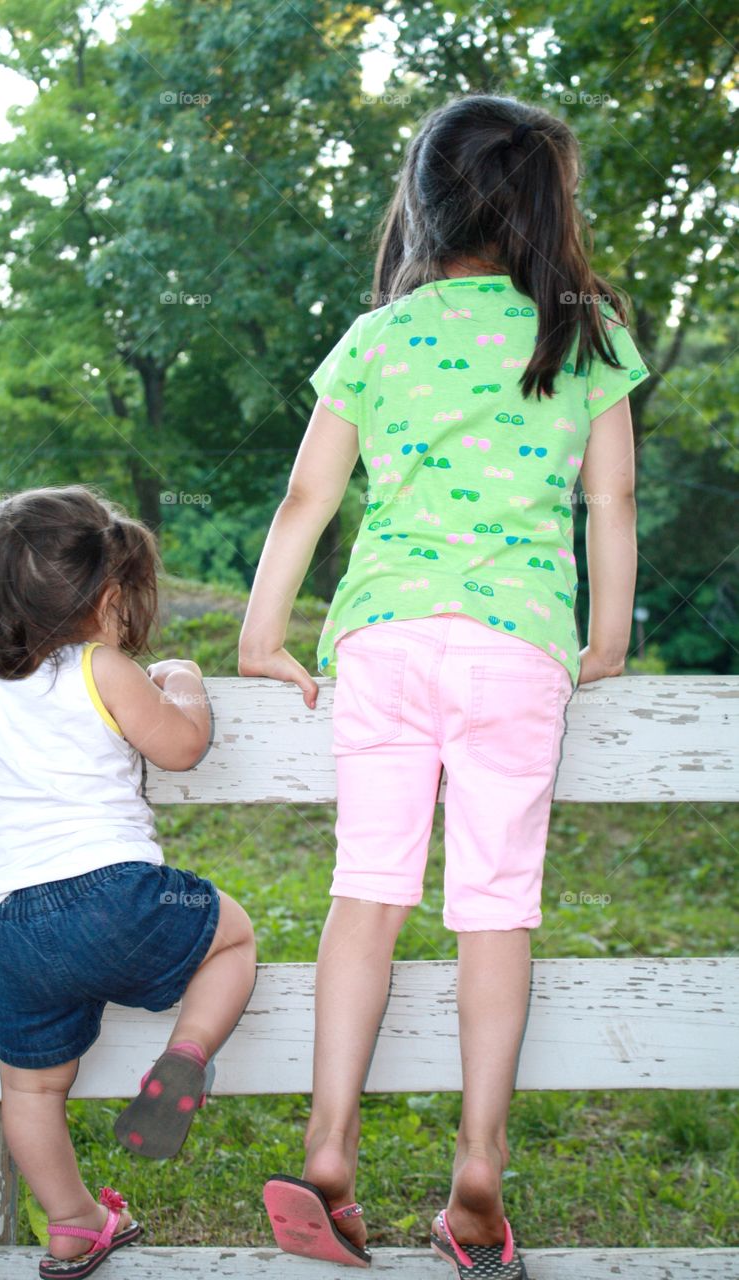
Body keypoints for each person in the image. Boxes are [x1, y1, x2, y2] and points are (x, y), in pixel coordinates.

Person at [239, 95, 650, 1277]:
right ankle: (477, 1166)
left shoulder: (381, 336)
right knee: (492, 905)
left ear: (419, 203)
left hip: (377, 640)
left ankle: (329, 1145)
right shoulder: (578, 330)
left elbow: (307, 500)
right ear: (541, 206)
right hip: (517, 647)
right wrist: (607, 637)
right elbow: (608, 502)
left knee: (364, 891)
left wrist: (264, 631)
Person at [0, 485, 256, 1280]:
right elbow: (180, 747)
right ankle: (187, 1055)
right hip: (122, 895)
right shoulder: (106, 668)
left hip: (14, 931)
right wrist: (185, 679)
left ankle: (73, 1225)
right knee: (231, 935)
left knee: (30, 1091)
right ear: (106, 595)